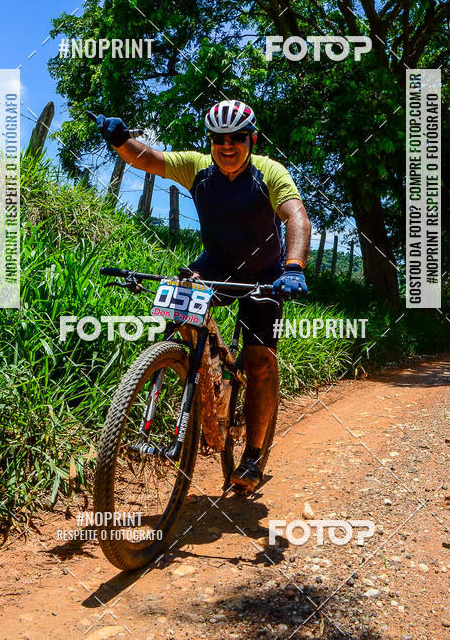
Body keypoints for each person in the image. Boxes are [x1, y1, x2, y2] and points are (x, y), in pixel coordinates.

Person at [95, 100, 311, 490]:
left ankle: (253, 456)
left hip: (265, 275)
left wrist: (294, 266)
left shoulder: (270, 173)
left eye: (237, 139)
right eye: (219, 139)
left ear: (252, 139)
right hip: (217, 264)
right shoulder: (197, 167)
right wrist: (121, 139)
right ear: (211, 141)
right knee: (177, 311)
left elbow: (296, 217)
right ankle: (193, 373)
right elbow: (148, 159)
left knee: (260, 361)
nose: (228, 146)